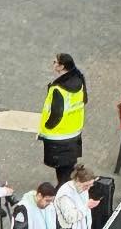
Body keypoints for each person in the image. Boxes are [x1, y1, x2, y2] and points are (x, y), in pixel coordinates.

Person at [37, 52, 86, 186]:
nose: (53, 64)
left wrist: (47, 126)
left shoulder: (58, 89)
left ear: (61, 66)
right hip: (74, 133)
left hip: (59, 137)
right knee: (68, 169)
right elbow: (84, 100)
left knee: (62, 174)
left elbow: (56, 114)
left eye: (55, 62)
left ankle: (62, 194)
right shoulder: (79, 80)